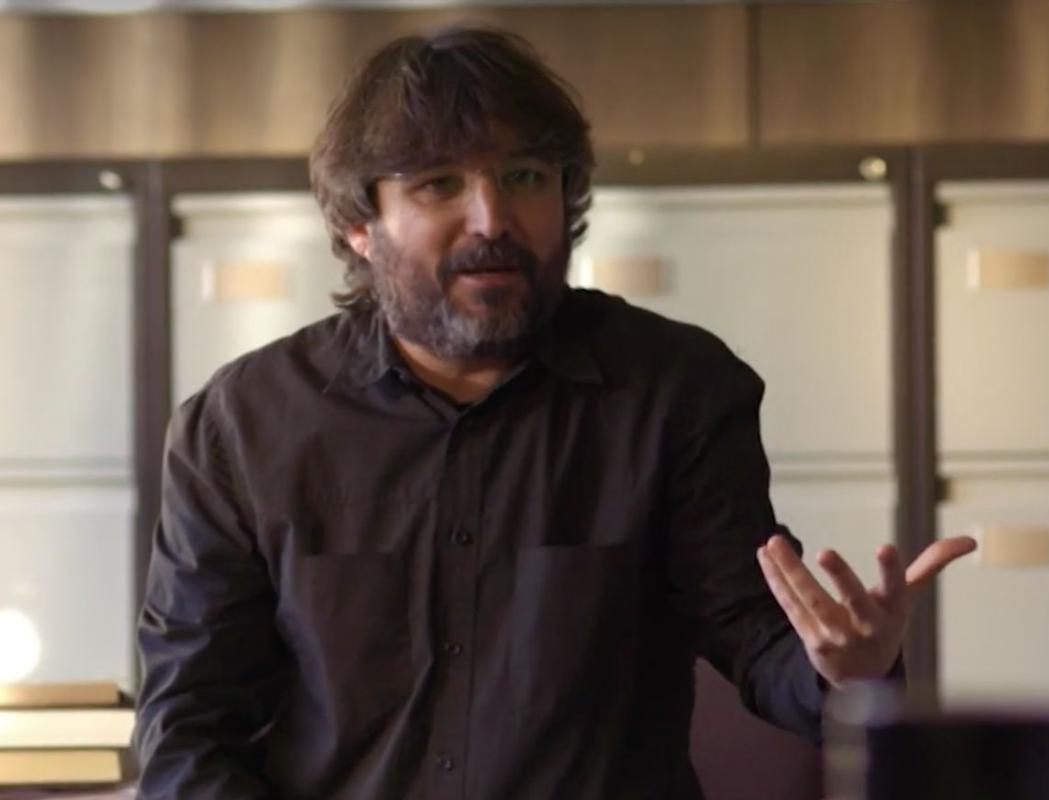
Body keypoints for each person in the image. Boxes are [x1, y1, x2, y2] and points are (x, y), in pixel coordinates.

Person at [133, 26, 974, 800]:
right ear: (361, 223)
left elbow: (757, 641)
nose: (492, 219)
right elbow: (188, 732)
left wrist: (848, 673)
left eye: (526, 177)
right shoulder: (240, 426)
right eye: (439, 184)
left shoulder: (676, 390)